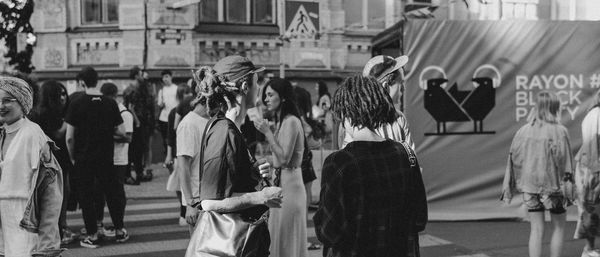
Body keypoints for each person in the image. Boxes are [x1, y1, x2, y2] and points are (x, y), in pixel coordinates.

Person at [314, 75, 427, 257]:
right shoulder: (406, 154)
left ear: (345, 113)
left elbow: (330, 232)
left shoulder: (339, 163)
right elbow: (419, 219)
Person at [188, 56, 283, 256]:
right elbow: (209, 201)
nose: (260, 88)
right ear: (244, 86)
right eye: (257, 82)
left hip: (241, 243)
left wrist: (253, 172)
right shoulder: (224, 131)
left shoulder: (231, 128)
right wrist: (261, 196)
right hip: (231, 245)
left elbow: (230, 183)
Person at [502, 91, 573, 257]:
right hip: (554, 187)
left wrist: (511, 185)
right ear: (555, 108)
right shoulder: (559, 131)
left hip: (529, 188)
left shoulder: (522, 131)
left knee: (536, 229)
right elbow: (565, 163)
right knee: (559, 227)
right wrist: (570, 188)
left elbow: (514, 159)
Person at [0, 76, 63, 257]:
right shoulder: (3, 134)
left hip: (25, 223)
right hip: (4, 224)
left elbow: (51, 193)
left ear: (22, 102)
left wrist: (48, 243)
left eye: (7, 100)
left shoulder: (33, 135)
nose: (1, 106)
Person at [65, 67, 128, 248]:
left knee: (87, 196)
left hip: (83, 158)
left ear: (82, 82)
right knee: (112, 193)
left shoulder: (76, 103)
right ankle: (119, 230)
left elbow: (69, 137)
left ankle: (92, 235)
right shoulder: (110, 103)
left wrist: (73, 158)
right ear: (97, 81)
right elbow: (122, 131)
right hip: (106, 157)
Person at [254, 78, 308, 257]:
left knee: (286, 237)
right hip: (281, 182)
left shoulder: (291, 121)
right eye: (265, 95)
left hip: (291, 184)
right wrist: (266, 160)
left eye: (270, 95)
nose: (266, 99)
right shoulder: (284, 121)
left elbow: (284, 158)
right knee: (277, 235)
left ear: (283, 97)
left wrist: (267, 133)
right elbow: (280, 157)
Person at [29, 80, 77, 246]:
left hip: (60, 160)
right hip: (48, 161)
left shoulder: (56, 113)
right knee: (54, 195)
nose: (64, 97)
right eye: (60, 94)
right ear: (50, 96)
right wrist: (68, 123)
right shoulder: (41, 115)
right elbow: (55, 135)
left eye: (64, 93)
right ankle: (58, 229)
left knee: (64, 193)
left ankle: (61, 226)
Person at [336, 55, 415, 151]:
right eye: (401, 83)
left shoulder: (350, 120)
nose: (403, 88)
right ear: (386, 85)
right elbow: (411, 160)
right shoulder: (399, 119)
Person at [176, 87, 209, 230]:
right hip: (197, 200)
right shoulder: (188, 124)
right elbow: (183, 167)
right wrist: (190, 204)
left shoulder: (208, 120)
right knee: (197, 249)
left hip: (210, 197)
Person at [574, 89, 600, 257]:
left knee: (590, 210)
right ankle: (589, 250)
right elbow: (594, 146)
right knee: (590, 210)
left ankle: (590, 249)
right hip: (592, 168)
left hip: (590, 168)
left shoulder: (593, 113)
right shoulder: (596, 114)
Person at [123, 66, 155, 183]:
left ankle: (138, 173)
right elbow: (131, 107)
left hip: (138, 122)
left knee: (138, 149)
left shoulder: (136, 87)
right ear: (136, 75)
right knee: (135, 149)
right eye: (141, 74)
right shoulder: (133, 89)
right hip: (136, 123)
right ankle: (136, 174)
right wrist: (137, 122)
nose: (143, 76)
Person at [157, 70, 178, 154]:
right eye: (163, 77)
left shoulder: (176, 88)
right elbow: (159, 104)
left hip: (174, 117)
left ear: (170, 77)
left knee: (174, 138)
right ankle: (167, 156)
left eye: (166, 77)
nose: (165, 79)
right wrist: (161, 104)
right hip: (164, 118)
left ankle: (174, 156)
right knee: (165, 138)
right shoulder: (161, 90)